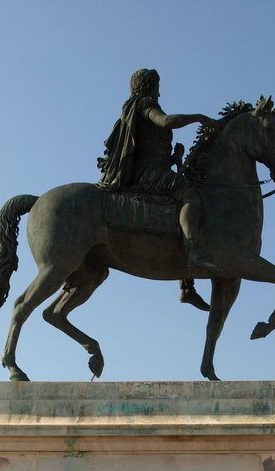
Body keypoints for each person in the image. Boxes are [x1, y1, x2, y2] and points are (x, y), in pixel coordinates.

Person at [97, 67, 221, 308]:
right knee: (191, 196)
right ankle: (194, 255)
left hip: (155, 170)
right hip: (149, 175)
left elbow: (151, 148)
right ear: (149, 86)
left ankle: (187, 286)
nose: (159, 92)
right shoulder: (144, 105)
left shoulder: (132, 109)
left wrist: (174, 159)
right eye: (157, 86)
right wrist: (198, 117)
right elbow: (165, 121)